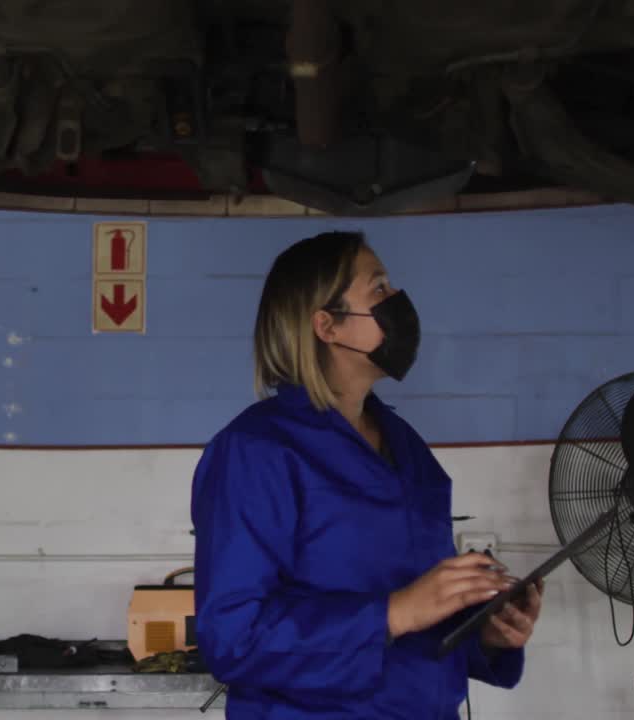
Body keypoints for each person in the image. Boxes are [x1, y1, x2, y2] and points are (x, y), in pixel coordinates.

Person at [191, 231, 543, 718]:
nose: (397, 299)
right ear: (327, 326)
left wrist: (484, 633)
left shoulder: (405, 445)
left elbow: (421, 617)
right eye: (378, 288)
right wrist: (392, 613)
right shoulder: (259, 450)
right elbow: (233, 637)